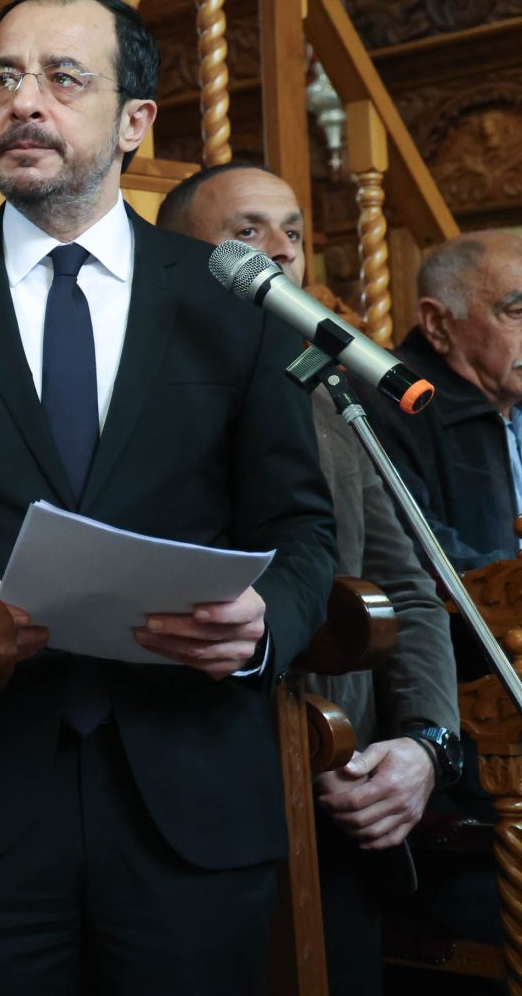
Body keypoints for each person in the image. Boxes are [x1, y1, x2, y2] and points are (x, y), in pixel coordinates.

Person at [0, 0, 336, 993]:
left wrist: (266, 620)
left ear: (135, 121)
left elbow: (302, 526)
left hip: (191, 787)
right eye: (4, 78)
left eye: (62, 78)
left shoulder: (232, 303)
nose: (24, 102)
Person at [159, 160, 460, 996]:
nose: (281, 251)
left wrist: (425, 746)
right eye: (246, 232)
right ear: (175, 258)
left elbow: (406, 590)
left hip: (342, 796)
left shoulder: (326, 392)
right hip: (200, 793)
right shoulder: (146, 391)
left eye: (292, 231)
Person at [370, 229, 522, 572]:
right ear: (438, 324)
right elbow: (415, 546)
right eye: (517, 311)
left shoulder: (510, 391)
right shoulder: (388, 399)